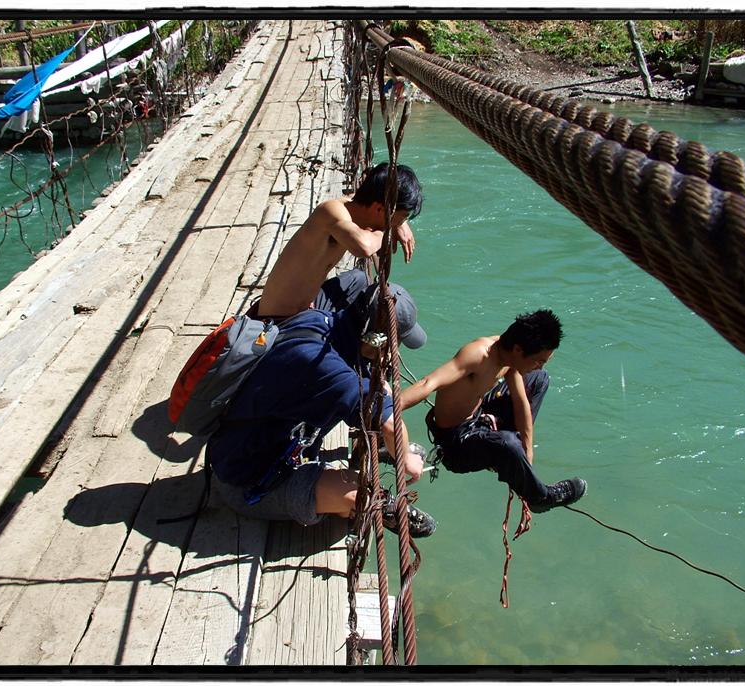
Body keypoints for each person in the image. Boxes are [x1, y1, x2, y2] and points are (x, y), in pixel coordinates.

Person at [206, 279, 436, 536]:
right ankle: (386, 505)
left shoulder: (321, 323)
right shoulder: (325, 366)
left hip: (247, 445)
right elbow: (390, 423)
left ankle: (385, 452)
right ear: (374, 340)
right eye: (394, 343)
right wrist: (406, 461)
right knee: (358, 493)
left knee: (378, 396)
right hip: (247, 480)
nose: (395, 351)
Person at [398, 309, 586, 512]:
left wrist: (527, 454)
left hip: (479, 416)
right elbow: (428, 383)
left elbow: (521, 402)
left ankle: (512, 459)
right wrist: (388, 409)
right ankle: (540, 498)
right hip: (456, 443)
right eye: (538, 360)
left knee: (539, 379)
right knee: (508, 444)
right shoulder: (479, 355)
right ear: (518, 349)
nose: (539, 366)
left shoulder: (509, 358)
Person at [253, 162, 423, 319]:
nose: (398, 224)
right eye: (401, 217)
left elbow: (374, 201)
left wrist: (400, 222)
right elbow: (363, 247)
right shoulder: (330, 211)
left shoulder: (358, 207)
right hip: (281, 317)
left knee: (360, 279)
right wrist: (389, 229)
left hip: (308, 304)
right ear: (379, 209)